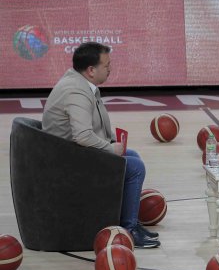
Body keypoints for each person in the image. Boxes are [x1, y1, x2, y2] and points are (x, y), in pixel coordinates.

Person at [42, 42, 160, 248]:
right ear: (90, 70)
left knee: (132, 156)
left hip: (71, 153)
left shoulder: (80, 84)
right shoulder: (76, 91)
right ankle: (129, 229)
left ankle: (128, 221)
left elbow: (89, 130)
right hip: (67, 163)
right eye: (106, 65)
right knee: (134, 167)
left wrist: (111, 141)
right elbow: (83, 136)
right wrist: (110, 148)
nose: (110, 69)